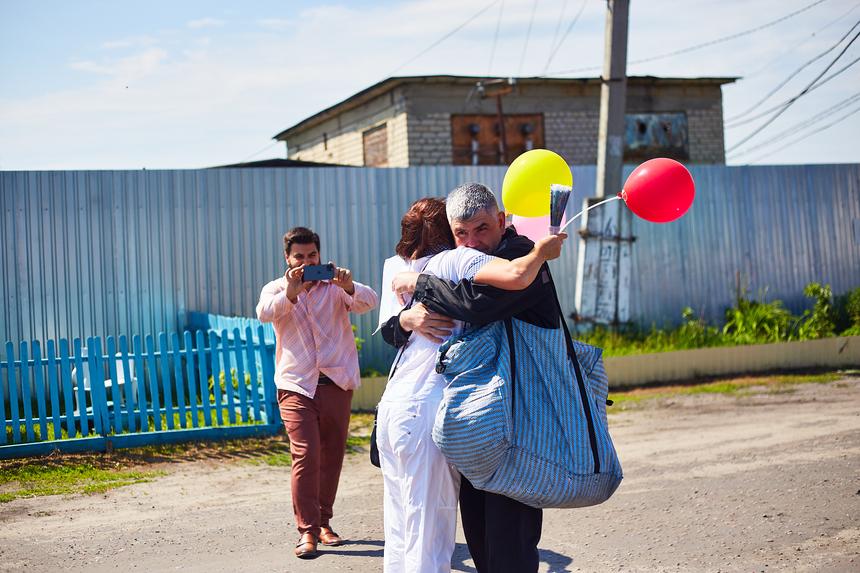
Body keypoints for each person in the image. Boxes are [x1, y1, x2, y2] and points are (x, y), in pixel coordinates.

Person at [377, 197, 566, 573]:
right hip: (450, 415)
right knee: (435, 535)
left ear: (501, 220)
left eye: (480, 229)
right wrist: (408, 318)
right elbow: (514, 277)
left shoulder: (418, 266)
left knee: (408, 529)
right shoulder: (456, 260)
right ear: (450, 233)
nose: (472, 240)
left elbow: (486, 299)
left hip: (423, 411)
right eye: (461, 232)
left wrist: (419, 286)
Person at [256, 226, 379, 560]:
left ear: (320, 255)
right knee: (306, 455)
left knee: (332, 456)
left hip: (336, 382)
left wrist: (349, 284)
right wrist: (292, 293)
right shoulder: (277, 289)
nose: (307, 261)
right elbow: (264, 312)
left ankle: (324, 522)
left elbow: (370, 301)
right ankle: (307, 531)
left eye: (312, 256)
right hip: (296, 384)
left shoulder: (335, 287)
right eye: (300, 256)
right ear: (287, 257)